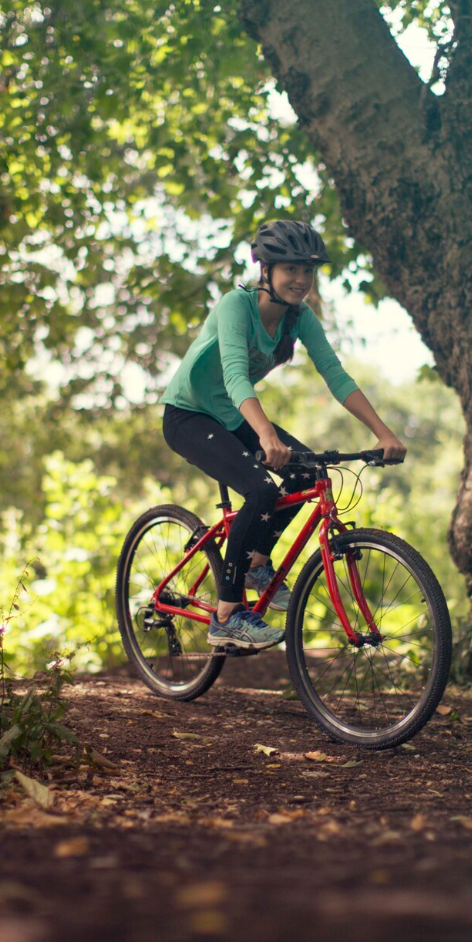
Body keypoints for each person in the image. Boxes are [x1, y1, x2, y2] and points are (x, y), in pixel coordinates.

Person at [160, 220, 407, 653]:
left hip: (231, 415)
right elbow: (236, 376)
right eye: (291, 269)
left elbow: (335, 374)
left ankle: (256, 562)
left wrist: (383, 432)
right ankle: (226, 616)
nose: (301, 280)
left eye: (308, 271)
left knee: (305, 473)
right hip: (189, 415)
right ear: (266, 270)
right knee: (259, 489)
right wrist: (266, 435)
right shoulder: (235, 306)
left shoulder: (299, 318)